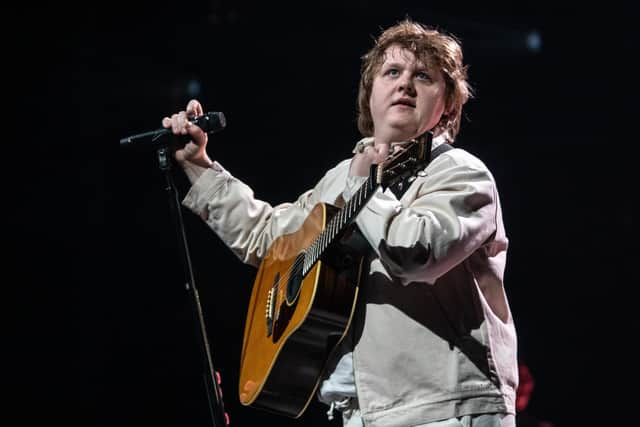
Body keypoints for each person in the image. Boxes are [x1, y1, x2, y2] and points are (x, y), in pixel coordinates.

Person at [162, 18, 518, 427]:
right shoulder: (342, 177)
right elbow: (269, 239)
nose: (405, 84)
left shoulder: (460, 173)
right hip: (358, 414)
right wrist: (200, 167)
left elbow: (413, 251)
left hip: (443, 409)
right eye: (392, 72)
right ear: (370, 96)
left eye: (423, 75)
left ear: (448, 105)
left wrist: (362, 186)